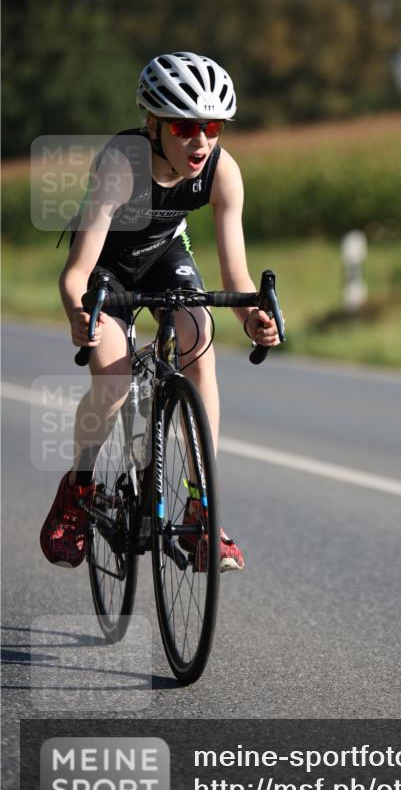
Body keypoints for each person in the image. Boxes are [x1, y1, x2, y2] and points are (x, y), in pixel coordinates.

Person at [40, 51, 280, 571]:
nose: (201, 142)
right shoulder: (120, 165)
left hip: (163, 257)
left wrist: (252, 319)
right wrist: (77, 314)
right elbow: (75, 274)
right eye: (184, 128)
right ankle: (78, 489)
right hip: (107, 268)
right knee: (113, 377)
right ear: (153, 126)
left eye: (212, 127)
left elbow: (236, 278)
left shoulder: (222, 171)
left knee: (199, 339)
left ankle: (201, 508)